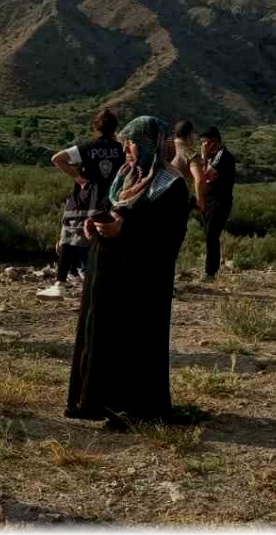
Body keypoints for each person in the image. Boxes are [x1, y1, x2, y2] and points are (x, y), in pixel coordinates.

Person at [66, 116, 190, 428]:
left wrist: (126, 229)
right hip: (107, 270)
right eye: (125, 142)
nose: (127, 148)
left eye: (132, 142)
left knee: (132, 341)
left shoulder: (171, 185)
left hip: (140, 281)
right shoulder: (127, 175)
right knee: (100, 332)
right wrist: (95, 221)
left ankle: (131, 408)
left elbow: (168, 235)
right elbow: (116, 209)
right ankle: (95, 401)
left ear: (149, 144)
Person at [40, 108, 124, 299]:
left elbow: (57, 159)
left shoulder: (87, 147)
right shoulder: (121, 150)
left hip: (83, 201)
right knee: (105, 241)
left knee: (69, 239)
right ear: (115, 127)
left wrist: (78, 177)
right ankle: (103, 282)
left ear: (96, 127)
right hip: (111, 201)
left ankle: (60, 284)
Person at [198, 127, 236, 282]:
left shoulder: (222, 157)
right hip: (210, 201)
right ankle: (210, 269)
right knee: (209, 234)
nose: (204, 146)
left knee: (211, 235)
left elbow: (207, 173)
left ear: (214, 142)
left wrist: (204, 156)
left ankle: (210, 272)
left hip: (219, 202)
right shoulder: (215, 156)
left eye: (206, 143)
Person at [171, 120, 207, 214]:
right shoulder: (189, 154)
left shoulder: (165, 147)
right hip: (178, 201)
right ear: (189, 134)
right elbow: (199, 180)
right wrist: (200, 202)